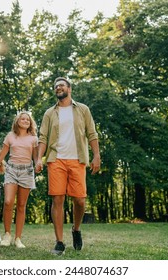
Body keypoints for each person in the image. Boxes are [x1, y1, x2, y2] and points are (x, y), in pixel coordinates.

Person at [35, 77, 101, 255]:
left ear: (69, 89)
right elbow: (42, 138)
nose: (58, 88)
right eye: (56, 86)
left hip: (77, 159)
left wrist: (96, 156)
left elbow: (92, 133)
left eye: (62, 85)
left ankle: (76, 229)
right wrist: (38, 158)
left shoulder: (83, 109)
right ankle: (59, 242)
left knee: (79, 200)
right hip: (56, 159)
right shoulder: (50, 113)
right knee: (58, 199)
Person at [0, 111, 38, 249]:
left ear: (30, 123)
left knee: (21, 205)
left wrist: (39, 164)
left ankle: (18, 238)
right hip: (11, 170)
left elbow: (36, 157)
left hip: (26, 171)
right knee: (8, 202)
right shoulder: (10, 136)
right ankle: (7, 234)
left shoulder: (33, 138)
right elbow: (0, 157)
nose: (25, 121)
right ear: (17, 121)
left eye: (28, 120)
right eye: (22, 119)